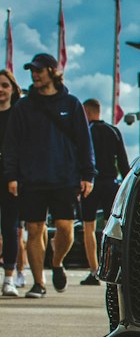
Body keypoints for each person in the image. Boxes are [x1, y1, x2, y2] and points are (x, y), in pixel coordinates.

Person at [3, 54, 95, 298]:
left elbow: (85, 142)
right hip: (31, 179)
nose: (34, 74)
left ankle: (56, 262)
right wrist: (11, 175)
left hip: (64, 177)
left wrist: (88, 174)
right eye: (32, 70)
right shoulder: (23, 106)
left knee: (66, 230)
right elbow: (12, 145)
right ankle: (39, 284)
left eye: (39, 70)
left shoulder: (71, 104)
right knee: (34, 230)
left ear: (52, 72)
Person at [79, 98, 130, 285]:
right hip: (110, 183)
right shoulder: (114, 131)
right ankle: (112, 269)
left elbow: (81, 157)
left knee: (89, 227)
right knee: (111, 228)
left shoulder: (87, 132)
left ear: (87, 112)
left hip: (90, 183)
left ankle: (94, 271)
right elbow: (123, 162)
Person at [0, 69, 22, 296]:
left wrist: (14, 176)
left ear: (12, 89)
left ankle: (9, 279)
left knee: (10, 228)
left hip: (10, 179)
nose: (0, 90)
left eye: (5, 85)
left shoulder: (18, 114)